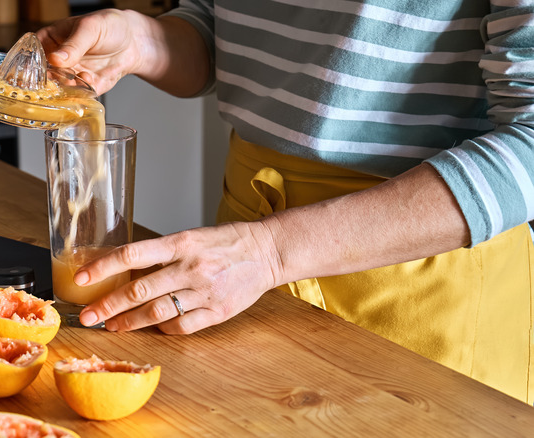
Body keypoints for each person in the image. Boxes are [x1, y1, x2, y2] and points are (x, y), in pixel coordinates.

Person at [36, 1, 534, 403]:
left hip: (418, 283)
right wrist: (141, 40)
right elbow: (219, 30)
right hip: (243, 265)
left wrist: (272, 251)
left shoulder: (264, 250)